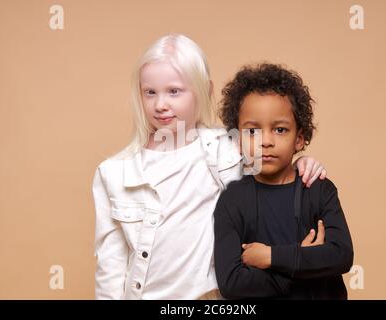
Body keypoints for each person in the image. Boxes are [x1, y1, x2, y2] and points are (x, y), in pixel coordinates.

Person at [92, 35, 327, 300]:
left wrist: (301, 163)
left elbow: (274, 170)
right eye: (150, 92)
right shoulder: (114, 173)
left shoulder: (229, 149)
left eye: (174, 91)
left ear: (204, 89)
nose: (160, 105)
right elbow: (110, 267)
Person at [214, 63, 353, 299]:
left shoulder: (318, 188)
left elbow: (340, 255)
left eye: (279, 130)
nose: (266, 141)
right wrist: (302, 263)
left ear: (299, 139)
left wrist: (271, 257)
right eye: (252, 131)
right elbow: (232, 283)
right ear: (237, 141)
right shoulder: (232, 200)